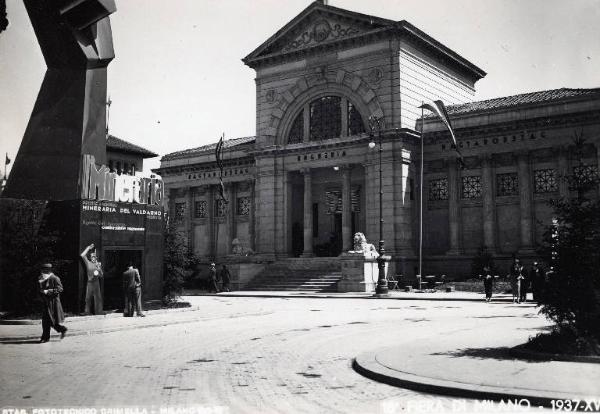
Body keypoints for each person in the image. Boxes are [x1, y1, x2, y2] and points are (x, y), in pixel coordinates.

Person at [38, 263, 68, 343]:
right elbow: (40, 289)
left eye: (44, 270)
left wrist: (48, 291)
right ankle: (61, 330)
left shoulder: (54, 278)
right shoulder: (41, 278)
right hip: (46, 303)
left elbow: (60, 289)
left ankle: (46, 337)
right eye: (42, 269)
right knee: (47, 320)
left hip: (53, 303)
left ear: (48, 271)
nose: (42, 271)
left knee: (49, 320)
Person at [80, 243, 104, 314]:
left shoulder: (98, 265)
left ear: (96, 258)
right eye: (92, 257)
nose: (93, 258)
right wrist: (88, 248)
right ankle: (87, 311)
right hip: (89, 282)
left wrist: (99, 268)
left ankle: (99, 312)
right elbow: (82, 255)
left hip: (96, 282)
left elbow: (101, 276)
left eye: (94, 257)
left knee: (98, 298)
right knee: (87, 298)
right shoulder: (88, 263)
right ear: (90, 258)